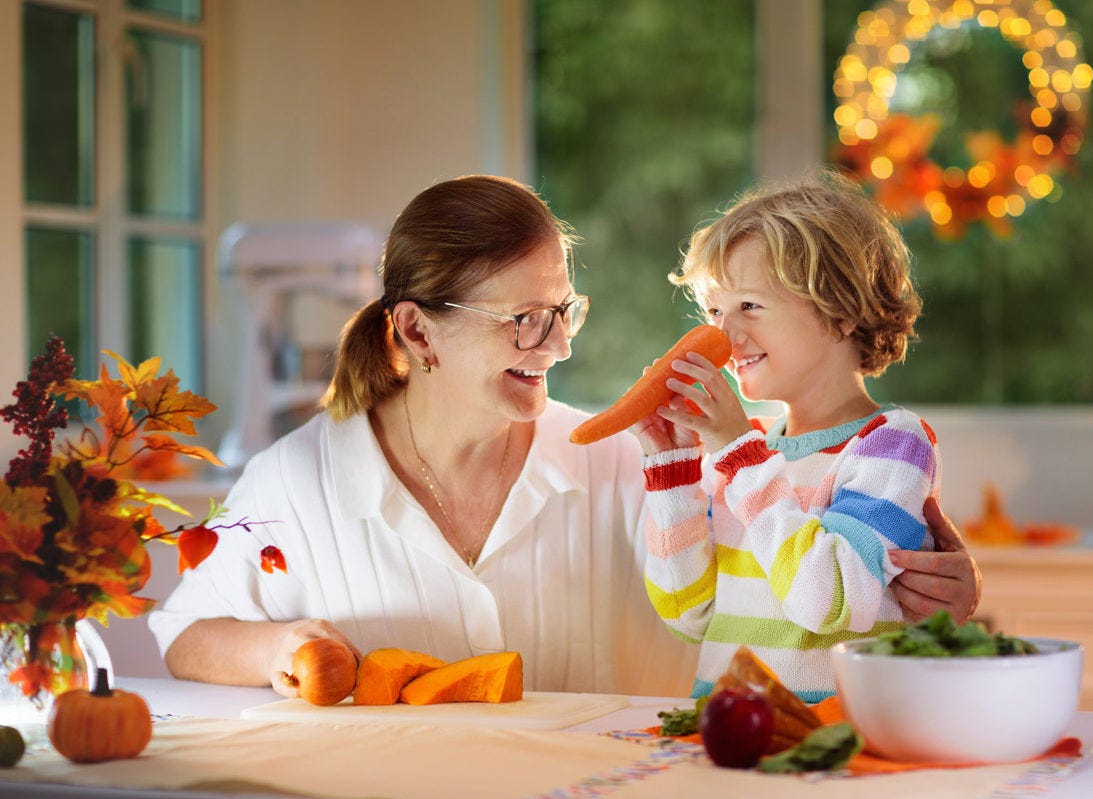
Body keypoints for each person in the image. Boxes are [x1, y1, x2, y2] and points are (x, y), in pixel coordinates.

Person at [147, 174, 980, 699]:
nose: (559, 345)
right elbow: (185, 633)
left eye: (563, 312)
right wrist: (281, 646)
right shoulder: (296, 476)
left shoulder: (636, 456)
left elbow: (817, 584)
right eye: (524, 320)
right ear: (419, 332)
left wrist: (944, 594)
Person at [633, 169, 954, 701]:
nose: (724, 335)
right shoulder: (744, 454)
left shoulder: (892, 445)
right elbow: (685, 612)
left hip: (842, 753)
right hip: (735, 742)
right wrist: (672, 475)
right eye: (715, 310)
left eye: (750, 306)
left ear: (842, 311)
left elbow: (829, 601)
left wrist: (739, 455)